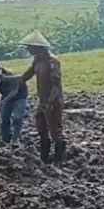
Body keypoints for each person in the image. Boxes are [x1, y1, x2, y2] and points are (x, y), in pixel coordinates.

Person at [19, 31, 65, 166]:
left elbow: (56, 85)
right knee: (41, 126)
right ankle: (44, 155)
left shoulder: (52, 62)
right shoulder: (37, 61)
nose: (28, 49)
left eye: (30, 47)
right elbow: (26, 75)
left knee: (55, 129)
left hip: (53, 101)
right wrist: (13, 80)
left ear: (38, 47)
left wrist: (50, 102)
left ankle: (59, 157)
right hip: (43, 101)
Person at [0, 56, 29, 146]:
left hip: (19, 97)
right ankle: (5, 140)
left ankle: (15, 139)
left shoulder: (9, 73)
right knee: (4, 120)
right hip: (5, 97)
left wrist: (3, 101)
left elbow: (14, 91)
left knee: (17, 118)